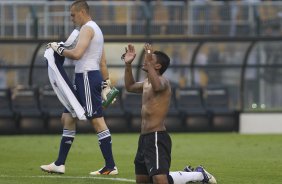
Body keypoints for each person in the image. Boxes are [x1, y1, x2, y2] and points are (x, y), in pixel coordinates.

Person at [40, 0, 118, 175]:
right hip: (86, 77)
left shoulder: (87, 29)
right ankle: (59, 163)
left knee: (97, 120)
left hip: (87, 78)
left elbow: (76, 54)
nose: (72, 19)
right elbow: (102, 60)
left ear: (82, 12)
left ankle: (111, 166)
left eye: (73, 15)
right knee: (67, 117)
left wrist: (58, 49)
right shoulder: (96, 28)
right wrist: (106, 83)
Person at [122, 43, 217, 184]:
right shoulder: (147, 83)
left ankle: (198, 175)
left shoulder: (163, 82)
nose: (145, 61)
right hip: (144, 138)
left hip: (156, 136)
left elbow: (157, 86)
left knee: (160, 179)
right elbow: (129, 86)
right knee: (142, 180)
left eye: (150, 60)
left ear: (157, 66)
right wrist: (128, 65)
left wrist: (148, 56)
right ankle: (189, 174)